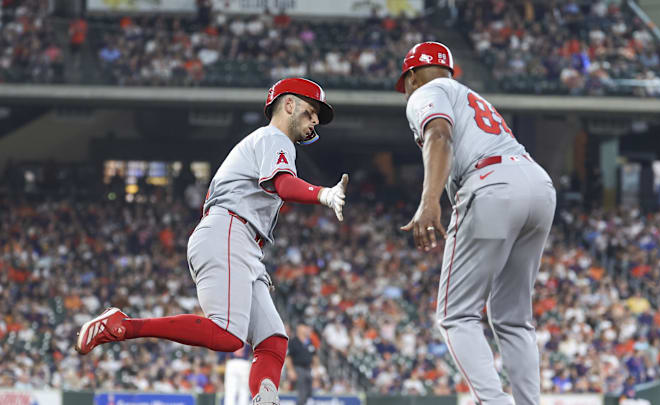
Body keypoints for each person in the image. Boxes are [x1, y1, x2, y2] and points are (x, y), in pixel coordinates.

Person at [75, 78, 349, 405]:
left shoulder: (265, 143)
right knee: (227, 336)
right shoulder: (275, 138)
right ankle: (123, 325)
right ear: (288, 104)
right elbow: (283, 184)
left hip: (238, 239)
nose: (315, 120)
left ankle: (266, 398)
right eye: (310, 110)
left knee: (273, 339)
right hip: (229, 231)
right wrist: (323, 193)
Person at [397, 42, 556, 405]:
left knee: (456, 316)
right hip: (537, 184)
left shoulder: (426, 92)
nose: (405, 90)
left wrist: (429, 201)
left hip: (492, 185)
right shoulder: (472, 97)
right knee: (514, 319)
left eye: (405, 82)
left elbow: (439, 135)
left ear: (411, 76)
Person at [285, 323, 316, 405]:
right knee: (301, 393)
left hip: (308, 369)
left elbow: (314, 356)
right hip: (298, 369)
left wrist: (316, 368)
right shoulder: (293, 341)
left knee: (309, 392)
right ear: (299, 328)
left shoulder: (309, 342)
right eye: (304, 327)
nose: (306, 329)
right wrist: (291, 370)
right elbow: (288, 357)